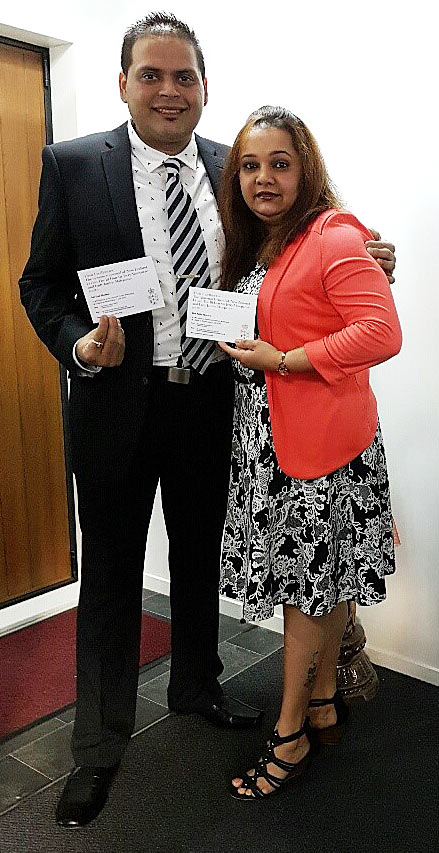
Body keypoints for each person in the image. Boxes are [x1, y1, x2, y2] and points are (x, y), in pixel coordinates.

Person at [18, 12, 395, 826]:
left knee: (198, 557)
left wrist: (373, 255)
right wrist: (78, 344)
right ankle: (99, 747)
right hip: (117, 406)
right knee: (113, 578)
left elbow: (302, 246)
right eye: (149, 74)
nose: (167, 89)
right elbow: (38, 286)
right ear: (122, 83)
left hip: (216, 402)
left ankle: (196, 687)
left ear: (203, 86)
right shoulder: (73, 164)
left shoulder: (236, 166)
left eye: (182, 75)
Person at [218, 106, 402, 800]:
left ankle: (290, 729)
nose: (263, 177)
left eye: (279, 163)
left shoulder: (331, 233)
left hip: (323, 451)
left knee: (305, 592)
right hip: (270, 444)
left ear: (306, 169)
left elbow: (381, 332)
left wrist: (287, 358)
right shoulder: (259, 243)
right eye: (250, 165)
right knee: (315, 583)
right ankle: (323, 700)